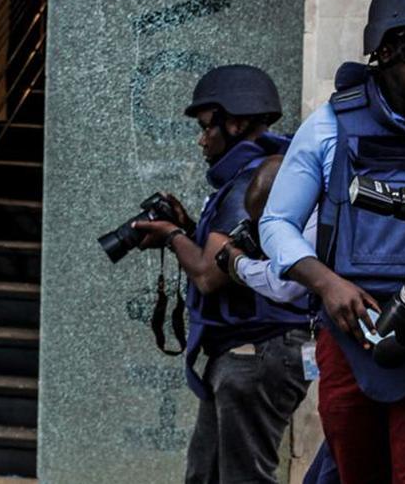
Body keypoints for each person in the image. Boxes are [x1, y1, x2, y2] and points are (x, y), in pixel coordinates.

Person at [257, 0, 405, 481]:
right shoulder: (331, 124)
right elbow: (275, 223)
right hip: (350, 331)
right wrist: (325, 283)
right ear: (386, 51)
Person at [132, 65, 311, 484]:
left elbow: (210, 276)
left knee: (243, 478)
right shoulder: (258, 174)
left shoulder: (252, 180)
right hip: (246, 351)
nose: (201, 139)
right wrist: (189, 226)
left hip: (259, 351)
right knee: (205, 475)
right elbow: (230, 258)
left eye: (205, 127)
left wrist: (172, 235)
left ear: (235, 123)